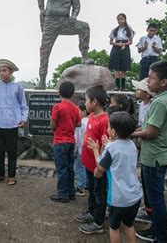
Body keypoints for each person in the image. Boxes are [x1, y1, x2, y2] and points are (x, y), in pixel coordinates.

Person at [131, 61, 167, 243]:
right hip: (156, 155)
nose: (148, 82)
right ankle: (156, 230)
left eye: (151, 78)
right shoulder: (165, 99)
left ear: (164, 81)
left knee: (156, 200)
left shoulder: (159, 103)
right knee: (153, 197)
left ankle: (160, 237)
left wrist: (128, 134)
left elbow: (151, 132)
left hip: (156, 156)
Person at [87, 112, 142, 243]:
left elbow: (100, 167)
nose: (107, 129)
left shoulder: (111, 148)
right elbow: (119, 156)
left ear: (113, 132)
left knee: (114, 227)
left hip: (118, 198)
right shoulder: (132, 145)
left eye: (109, 127)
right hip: (135, 196)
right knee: (129, 225)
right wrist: (110, 143)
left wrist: (95, 149)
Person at [36, 0, 90, 89]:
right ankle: (42, 80)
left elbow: (76, 5)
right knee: (44, 50)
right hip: (50, 21)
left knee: (84, 27)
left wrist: (74, 15)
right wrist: (41, 9)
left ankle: (84, 56)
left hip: (65, 21)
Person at [0, 59, 28, 186]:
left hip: (12, 124)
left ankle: (11, 176)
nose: (1, 73)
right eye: (0, 71)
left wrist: (23, 119)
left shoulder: (18, 87)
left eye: (4, 71)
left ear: (11, 72)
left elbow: (23, 105)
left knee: (11, 151)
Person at [75, 85, 109, 235]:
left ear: (94, 102)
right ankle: (91, 212)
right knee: (92, 190)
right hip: (89, 164)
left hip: (97, 166)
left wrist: (100, 167)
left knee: (99, 192)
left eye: (87, 100)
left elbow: (105, 146)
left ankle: (98, 221)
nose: (85, 103)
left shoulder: (104, 120)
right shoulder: (91, 116)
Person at [49, 81, 81, 203]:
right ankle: (71, 191)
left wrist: (54, 124)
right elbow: (78, 123)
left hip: (60, 140)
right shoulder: (74, 107)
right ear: (72, 94)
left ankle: (62, 193)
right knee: (69, 167)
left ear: (59, 92)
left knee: (61, 168)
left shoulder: (57, 107)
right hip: (71, 141)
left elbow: (53, 125)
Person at [131, 78, 154, 224]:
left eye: (139, 89)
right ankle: (147, 207)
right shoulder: (142, 104)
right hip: (142, 143)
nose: (137, 91)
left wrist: (131, 133)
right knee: (144, 177)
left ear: (147, 93)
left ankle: (150, 211)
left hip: (147, 143)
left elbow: (148, 128)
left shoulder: (152, 106)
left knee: (148, 180)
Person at [108, 13, 135, 91]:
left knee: (123, 68)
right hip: (116, 48)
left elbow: (130, 42)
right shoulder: (114, 30)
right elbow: (110, 42)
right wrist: (118, 44)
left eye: (121, 19)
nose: (120, 21)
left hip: (125, 48)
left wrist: (124, 44)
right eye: (118, 19)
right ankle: (117, 86)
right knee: (116, 68)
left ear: (125, 20)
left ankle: (123, 87)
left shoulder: (128, 29)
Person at [74, 101, 89, 196]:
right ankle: (87, 185)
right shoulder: (90, 120)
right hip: (89, 149)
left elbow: (78, 138)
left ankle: (81, 187)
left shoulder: (81, 123)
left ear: (84, 111)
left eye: (78, 110)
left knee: (79, 168)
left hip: (81, 149)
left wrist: (75, 149)